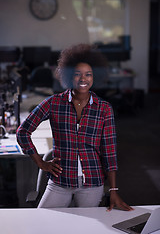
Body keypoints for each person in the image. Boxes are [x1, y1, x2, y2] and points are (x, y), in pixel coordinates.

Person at [16, 43, 133, 211]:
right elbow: (23, 132)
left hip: (92, 183)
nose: (83, 79)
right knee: (41, 223)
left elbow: (109, 151)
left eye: (88, 74)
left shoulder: (104, 108)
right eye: (77, 74)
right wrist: (41, 163)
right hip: (59, 182)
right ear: (69, 75)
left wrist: (113, 190)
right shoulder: (53, 103)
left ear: (95, 77)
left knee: (87, 228)